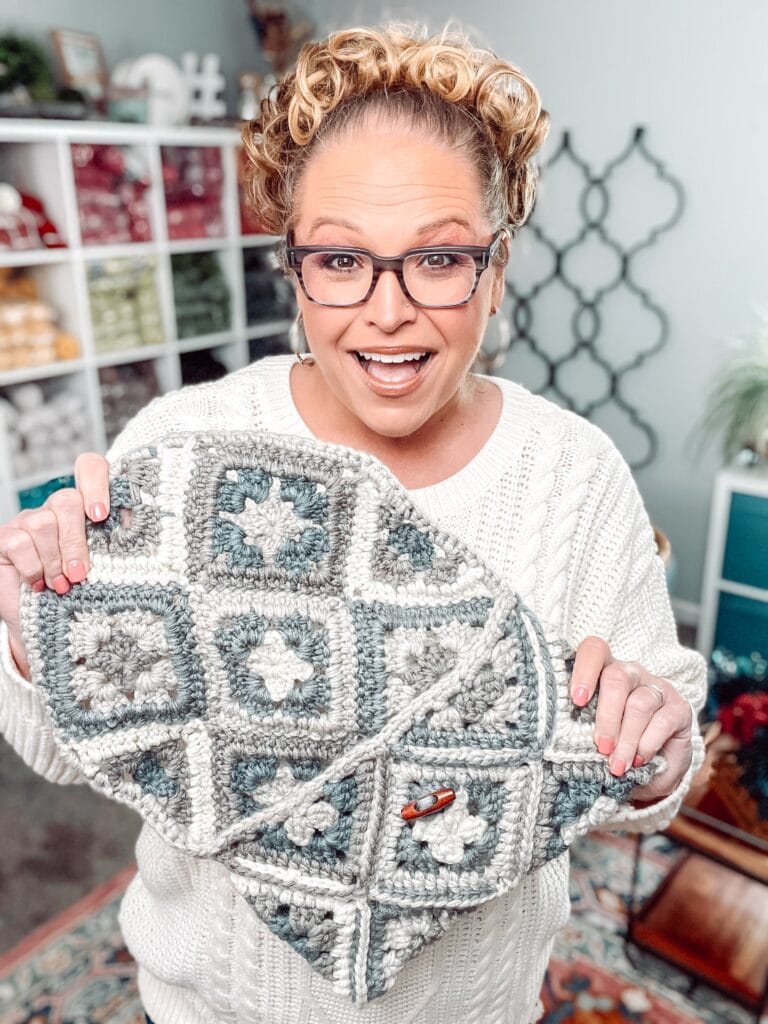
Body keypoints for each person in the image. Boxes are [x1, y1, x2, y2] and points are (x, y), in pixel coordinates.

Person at [0, 24, 705, 1024]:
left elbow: (655, 737)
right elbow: (69, 751)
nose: (387, 311)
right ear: (294, 269)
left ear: (495, 270)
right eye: (341, 259)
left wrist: (657, 750)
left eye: (439, 258)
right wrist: (37, 637)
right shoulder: (186, 445)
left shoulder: (573, 477)